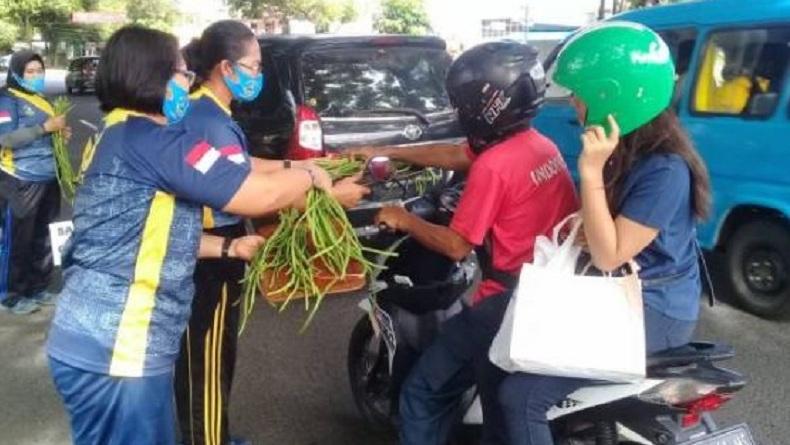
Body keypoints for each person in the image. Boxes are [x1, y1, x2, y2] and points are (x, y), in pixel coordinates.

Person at [46, 25, 366, 445]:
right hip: (118, 348)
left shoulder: (123, 133)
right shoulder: (150, 141)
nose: (188, 81)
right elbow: (253, 194)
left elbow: (144, 234)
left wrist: (229, 245)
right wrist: (312, 175)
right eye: (180, 73)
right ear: (149, 76)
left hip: (109, 343)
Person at [496, 22, 712, 445]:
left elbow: (610, 255)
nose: (574, 103)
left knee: (520, 398)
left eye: (579, 93)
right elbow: (594, 234)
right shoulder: (626, 150)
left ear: (609, 95)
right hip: (618, 295)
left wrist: (590, 173)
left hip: (652, 310)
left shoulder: (664, 169)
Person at [354, 42, 578, 444]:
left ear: (485, 104)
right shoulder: (536, 144)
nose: (459, 110)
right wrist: (389, 151)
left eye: (462, 102)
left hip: (508, 302)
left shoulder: (493, 166)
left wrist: (402, 219)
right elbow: (459, 154)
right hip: (553, 289)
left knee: (421, 392)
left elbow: (457, 245)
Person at [175, 20, 369, 445]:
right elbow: (245, 193)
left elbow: (241, 165)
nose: (259, 74)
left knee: (214, 357)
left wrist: (298, 167)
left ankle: (215, 433)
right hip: (210, 259)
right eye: (254, 64)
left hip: (215, 251)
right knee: (205, 363)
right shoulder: (207, 118)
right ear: (226, 67)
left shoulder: (210, 111)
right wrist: (330, 195)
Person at [0, 50, 71, 314]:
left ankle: (38, 287)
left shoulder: (41, 99)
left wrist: (59, 135)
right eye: (30, 71)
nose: (36, 76)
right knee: (18, 239)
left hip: (48, 176)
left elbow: (50, 132)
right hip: (20, 179)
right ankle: (12, 294)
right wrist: (44, 129)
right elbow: (5, 139)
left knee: (42, 238)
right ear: (17, 73)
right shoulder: (7, 99)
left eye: (39, 71)